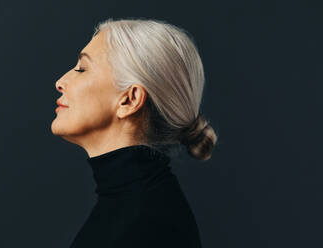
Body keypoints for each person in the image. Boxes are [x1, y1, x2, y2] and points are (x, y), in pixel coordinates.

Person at [51, 17, 218, 248]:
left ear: (129, 100)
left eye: (81, 69)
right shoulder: (133, 204)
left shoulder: (144, 224)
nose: (60, 81)